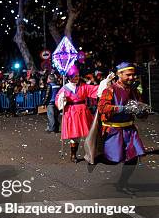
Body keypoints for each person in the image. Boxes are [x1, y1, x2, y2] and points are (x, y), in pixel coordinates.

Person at [95, 62, 147, 191]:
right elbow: (102, 108)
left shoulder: (134, 91)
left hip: (130, 130)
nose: (132, 77)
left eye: (133, 75)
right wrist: (122, 109)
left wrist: (141, 112)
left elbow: (139, 107)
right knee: (112, 159)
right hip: (113, 130)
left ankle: (122, 184)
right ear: (119, 74)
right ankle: (95, 157)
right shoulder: (110, 90)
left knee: (133, 158)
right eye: (128, 75)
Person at [56, 67, 109, 162]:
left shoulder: (83, 86)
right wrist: (62, 99)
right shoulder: (64, 88)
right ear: (69, 77)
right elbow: (58, 102)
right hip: (71, 113)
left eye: (77, 76)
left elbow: (95, 90)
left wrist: (105, 82)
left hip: (83, 112)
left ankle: (94, 153)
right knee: (75, 136)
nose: (77, 78)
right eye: (74, 76)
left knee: (91, 133)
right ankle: (73, 155)